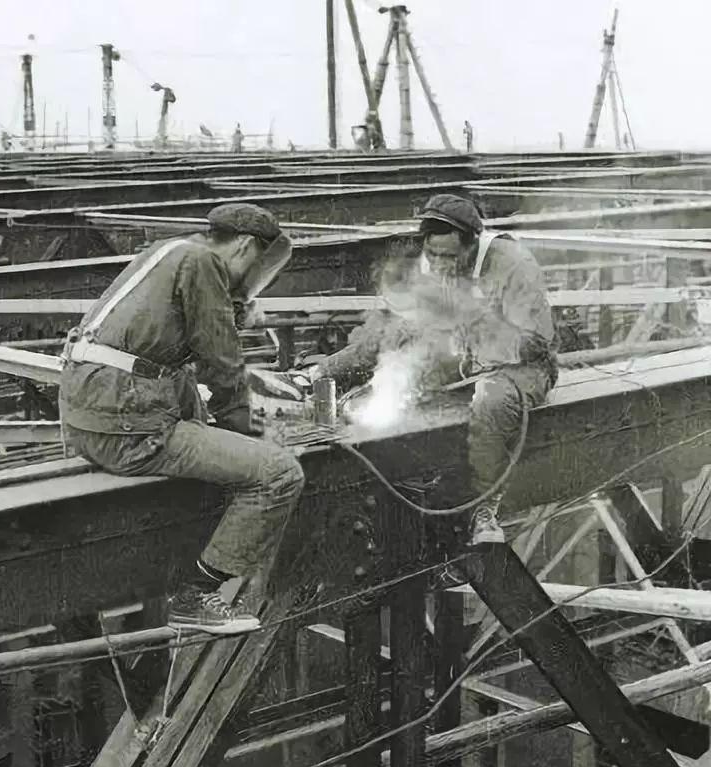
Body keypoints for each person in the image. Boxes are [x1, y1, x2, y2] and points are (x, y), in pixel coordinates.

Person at [59, 203, 305, 635]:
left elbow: (167, 357)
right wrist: (249, 435)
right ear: (246, 246)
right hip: (131, 431)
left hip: (88, 421)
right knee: (280, 474)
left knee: (229, 448)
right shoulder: (204, 263)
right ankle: (197, 595)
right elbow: (222, 361)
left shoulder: (168, 251)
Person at [313, 194, 558, 543]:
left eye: (449, 257)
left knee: (491, 399)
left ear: (472, 245)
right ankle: (311, 378)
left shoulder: (514, 265)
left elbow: (534, 344)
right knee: (395, 344)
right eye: (433, 255)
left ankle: (485, 510)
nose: (440, 265)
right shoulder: (431, 262)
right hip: (462, 354)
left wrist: (471, 323)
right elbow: (409, 323)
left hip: (521, 367)